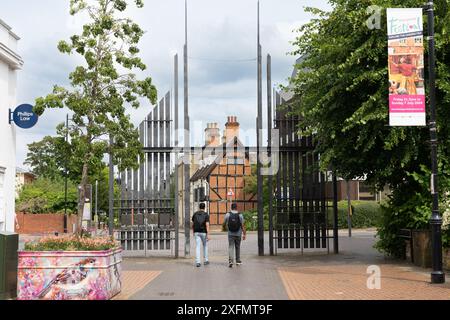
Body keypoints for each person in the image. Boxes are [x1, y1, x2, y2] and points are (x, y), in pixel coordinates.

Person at [224, 203, 246, 268]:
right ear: (236, 207)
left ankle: (231, 261)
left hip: (230, 233)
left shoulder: (228, 214)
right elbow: (243, 225)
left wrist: (226, 228)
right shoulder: (240, 215)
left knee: (231, 247)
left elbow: (224, 223)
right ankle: (238, 261)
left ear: (231, 207)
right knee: (237, 247)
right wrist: (244, 234)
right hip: (238, 233)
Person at [192, 202, 210, 267]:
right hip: (203, 232)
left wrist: (193, 232)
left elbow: (193, 224)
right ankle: (206, 260)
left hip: (196, 232)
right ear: (204, 207)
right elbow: (207, 225)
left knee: (197, 246)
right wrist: (208, 234)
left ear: (199, 207)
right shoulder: (206, 215)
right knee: (205, 246)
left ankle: (198, 262)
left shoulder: (195, 214)